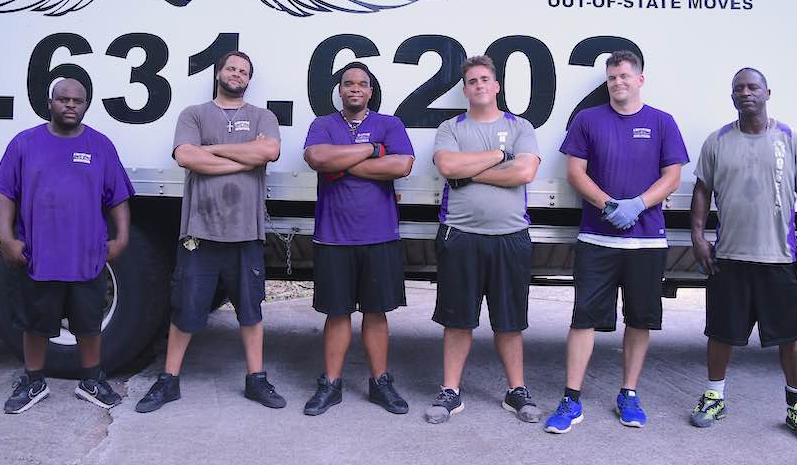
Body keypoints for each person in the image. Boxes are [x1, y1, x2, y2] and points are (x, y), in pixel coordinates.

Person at [545, 50, 688, 433]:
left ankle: (628, 393)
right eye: (612, 77)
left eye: (624, 76)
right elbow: (575, 172)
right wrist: (608, 204)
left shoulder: (662, 122)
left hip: (645, 242)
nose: (618, 83)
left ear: (640, 79)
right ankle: (571, 399)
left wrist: (639, 204)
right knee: (584, 319)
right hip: (597, 237)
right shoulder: (588, 120)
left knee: (639, 320)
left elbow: (672, 176)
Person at [135, 51, 285, 413]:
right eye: (231, 68)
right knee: (186, 309)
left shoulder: (262, 116)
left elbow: (269, 151)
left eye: (244, 71)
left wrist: (213, 151)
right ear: (219, 73)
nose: (237, 74)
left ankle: (256, 380)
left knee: (250, 311)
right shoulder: (194, 114)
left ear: (249, 80)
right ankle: (168, 380)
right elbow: (187, 156)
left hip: (246, 234)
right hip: (199, 233)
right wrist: (242, 157)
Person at [688, 67, 797, 444]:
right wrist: (697, 236)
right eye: (738, 88)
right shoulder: (717, 142)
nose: (745, 93)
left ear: (767, 93)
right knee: (720, 334)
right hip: (729, 257)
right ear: (732, 97)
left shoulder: (791, 140)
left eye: (752, 87)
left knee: (789, 337)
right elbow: (702, 191)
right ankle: (714, 397)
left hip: (779, 258)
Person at [0, 77, 134, 414]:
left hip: (87, 256)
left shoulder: (100, 146)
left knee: (88, 324)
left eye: (78, 101)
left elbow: (118, 199)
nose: (71, 105)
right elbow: (3, 195)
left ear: (86, 105)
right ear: (50, 102)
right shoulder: (24, 144)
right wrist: (5, 238)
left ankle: (91, 381)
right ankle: (33, 382)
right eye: (64, 99)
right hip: (38, 256)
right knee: (35, 324)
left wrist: (123, 237)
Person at [424, 55, 542, 425]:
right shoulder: (451, 127)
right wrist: (497, 157)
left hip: (510, 237)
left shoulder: (521, 125)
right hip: (460, 236)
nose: (478, 85)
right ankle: (450, 392)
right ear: (465, 89)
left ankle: (516, 391)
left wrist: (470, 172)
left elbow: (525, 171)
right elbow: (447, 167)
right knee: (457, 320)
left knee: (509, 321)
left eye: (484, 79)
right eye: (471, 81)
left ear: (496, 86)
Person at [301, 62, 415, 416]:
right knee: (337, 314)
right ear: (339, 90)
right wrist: (372, 151)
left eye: (361, 84)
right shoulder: (323, 124)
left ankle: (380, 383)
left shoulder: (389, 124)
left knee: (376, 312)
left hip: (379, 235)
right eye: (348, 83)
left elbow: (401, 166)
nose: (354, 88)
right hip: (334, 237)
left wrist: (341, 163)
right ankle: (331, 384)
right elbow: (316, 157)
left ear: (370, 91)